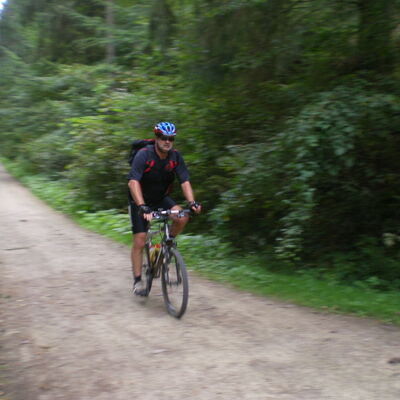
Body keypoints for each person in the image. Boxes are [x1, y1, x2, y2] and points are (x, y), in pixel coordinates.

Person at [127, 122, 201, 296]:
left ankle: (166, 245)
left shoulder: (175, 157)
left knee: (182, 216)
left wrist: (192, 202)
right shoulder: (144, 154)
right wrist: (142, 207)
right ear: (156, 138)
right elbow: (133, 182)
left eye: (171, 138)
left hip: (160, 198)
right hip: (139, 200)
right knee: (140, 240)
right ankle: (138, 281)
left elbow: (184, 181)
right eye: (163, 137)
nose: (167, 141)